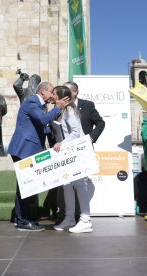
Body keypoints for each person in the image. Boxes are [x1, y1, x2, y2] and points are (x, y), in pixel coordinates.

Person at [8, 81, 69, 231]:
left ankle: (23, 218)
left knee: (27, 185)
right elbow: (42, 120)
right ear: (43, 92)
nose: (53, 95)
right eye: (51, 92)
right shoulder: (32, 101)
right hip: (23, 149)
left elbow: (41, 126)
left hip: (30, 150)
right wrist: (58, 108)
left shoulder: (40, 105)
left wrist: (54, 133)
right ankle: (23, 220)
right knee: (25, 185)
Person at [51, 86, 93, 233]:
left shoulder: (69, 110)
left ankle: (85, 220)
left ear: (62, 96)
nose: (52, 96)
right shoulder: (64, 110)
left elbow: (75, 133)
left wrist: (62, 143)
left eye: (54, 94)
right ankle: (69, 218)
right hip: (69, 153)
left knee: (80, 185)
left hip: (77, 152)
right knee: (67, 185)